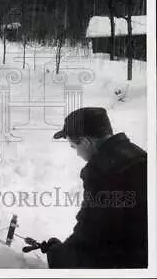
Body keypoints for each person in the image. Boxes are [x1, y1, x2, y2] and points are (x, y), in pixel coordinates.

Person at [23, 107, 147, 268]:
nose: (77, 154)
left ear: (85, 142)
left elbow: (90, 234)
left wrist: (57, 253)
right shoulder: (139, 156)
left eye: (74, 147)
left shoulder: (102, 172)